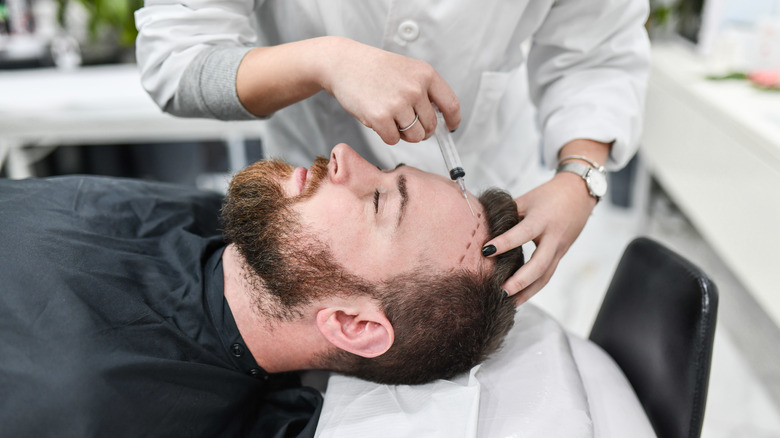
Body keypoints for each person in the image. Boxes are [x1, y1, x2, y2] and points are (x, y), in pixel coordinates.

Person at [134, 0, 651, 303]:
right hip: (303, 182)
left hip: (496, 158)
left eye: (391, 196)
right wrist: (323, 61)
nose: (344, 159)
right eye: (389, 193)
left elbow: (599, 52)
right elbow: (178, 59)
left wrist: (580, 176)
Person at [0, 143, 524, 437]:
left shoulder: (90, 407)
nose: (345, 154)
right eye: (387, 169)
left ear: (353, 324)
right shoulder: (220, 222)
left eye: (379, 202)